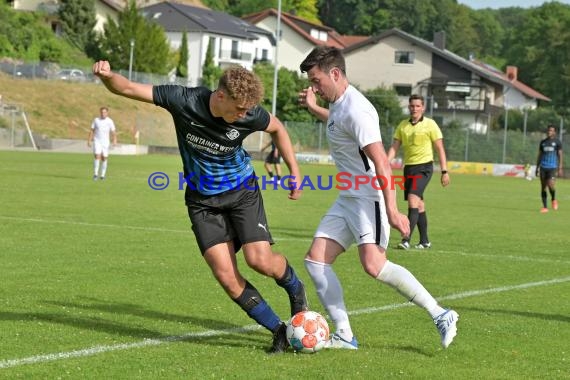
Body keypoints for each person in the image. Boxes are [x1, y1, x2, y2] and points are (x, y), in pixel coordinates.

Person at [92, 61, 308, 353]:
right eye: (238, 110)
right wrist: (107, 77)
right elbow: (128, 87)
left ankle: (296, 288)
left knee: (260, 261)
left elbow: (278, 128)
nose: (243, 117)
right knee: (227, 277)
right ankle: (279, 330)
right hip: (202, 201)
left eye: (247, 112)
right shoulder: (183, 100)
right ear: (220, 96)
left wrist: (293, 170)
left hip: (242, 191)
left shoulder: (248, 112)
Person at [298, 46, 459, 350]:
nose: (315, 88)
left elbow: (382, 162)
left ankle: (442, 314)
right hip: (348, 196)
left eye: (317, 81)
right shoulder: (340, 105)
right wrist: (312, 107)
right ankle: (344, 334)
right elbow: (336, 122)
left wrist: (393, 210)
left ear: (335, 74)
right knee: (315, 261)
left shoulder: (357, 109)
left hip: (368, 196)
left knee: (374, 265)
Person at [387, 94, 450, 250]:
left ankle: (406, 238)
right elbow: (395, 147)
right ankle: (424, 241)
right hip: (409, 168)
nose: (414, 109)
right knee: (419, 205)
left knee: (412, 200)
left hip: (424, 167)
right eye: (412, 106)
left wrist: (444, 171)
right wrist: (385, 163)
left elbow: (440, 148)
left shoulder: (430, 124)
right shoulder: (403, 125)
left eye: (417, 106)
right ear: (409, 107)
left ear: (423, 108)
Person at [536, 124, 563, 213]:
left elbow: (560, 155)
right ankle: (545, 207)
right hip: (543, 167)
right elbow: (539, 155)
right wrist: (537, 167)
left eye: (551, 130)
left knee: (551, 185)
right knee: (543, 187)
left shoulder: (557, 142)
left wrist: (560, 167)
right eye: (548, 130)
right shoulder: (543, 142)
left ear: (554, 132)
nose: (549, 132)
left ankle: (554, 199)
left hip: (552, 167)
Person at [87, 106, 117, 180]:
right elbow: (92, 130)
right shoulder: (96, 120)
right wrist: (89, 140)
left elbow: (113, 132)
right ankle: (95, 174)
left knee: (104, 157)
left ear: (107, 113)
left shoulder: (110, 121)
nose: (103, 113)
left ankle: (102, 175)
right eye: (102, 112)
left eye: (104, 112)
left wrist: (114, 140)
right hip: (97, 140)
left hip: (105, 141)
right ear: (100, 112)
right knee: (97, 156)